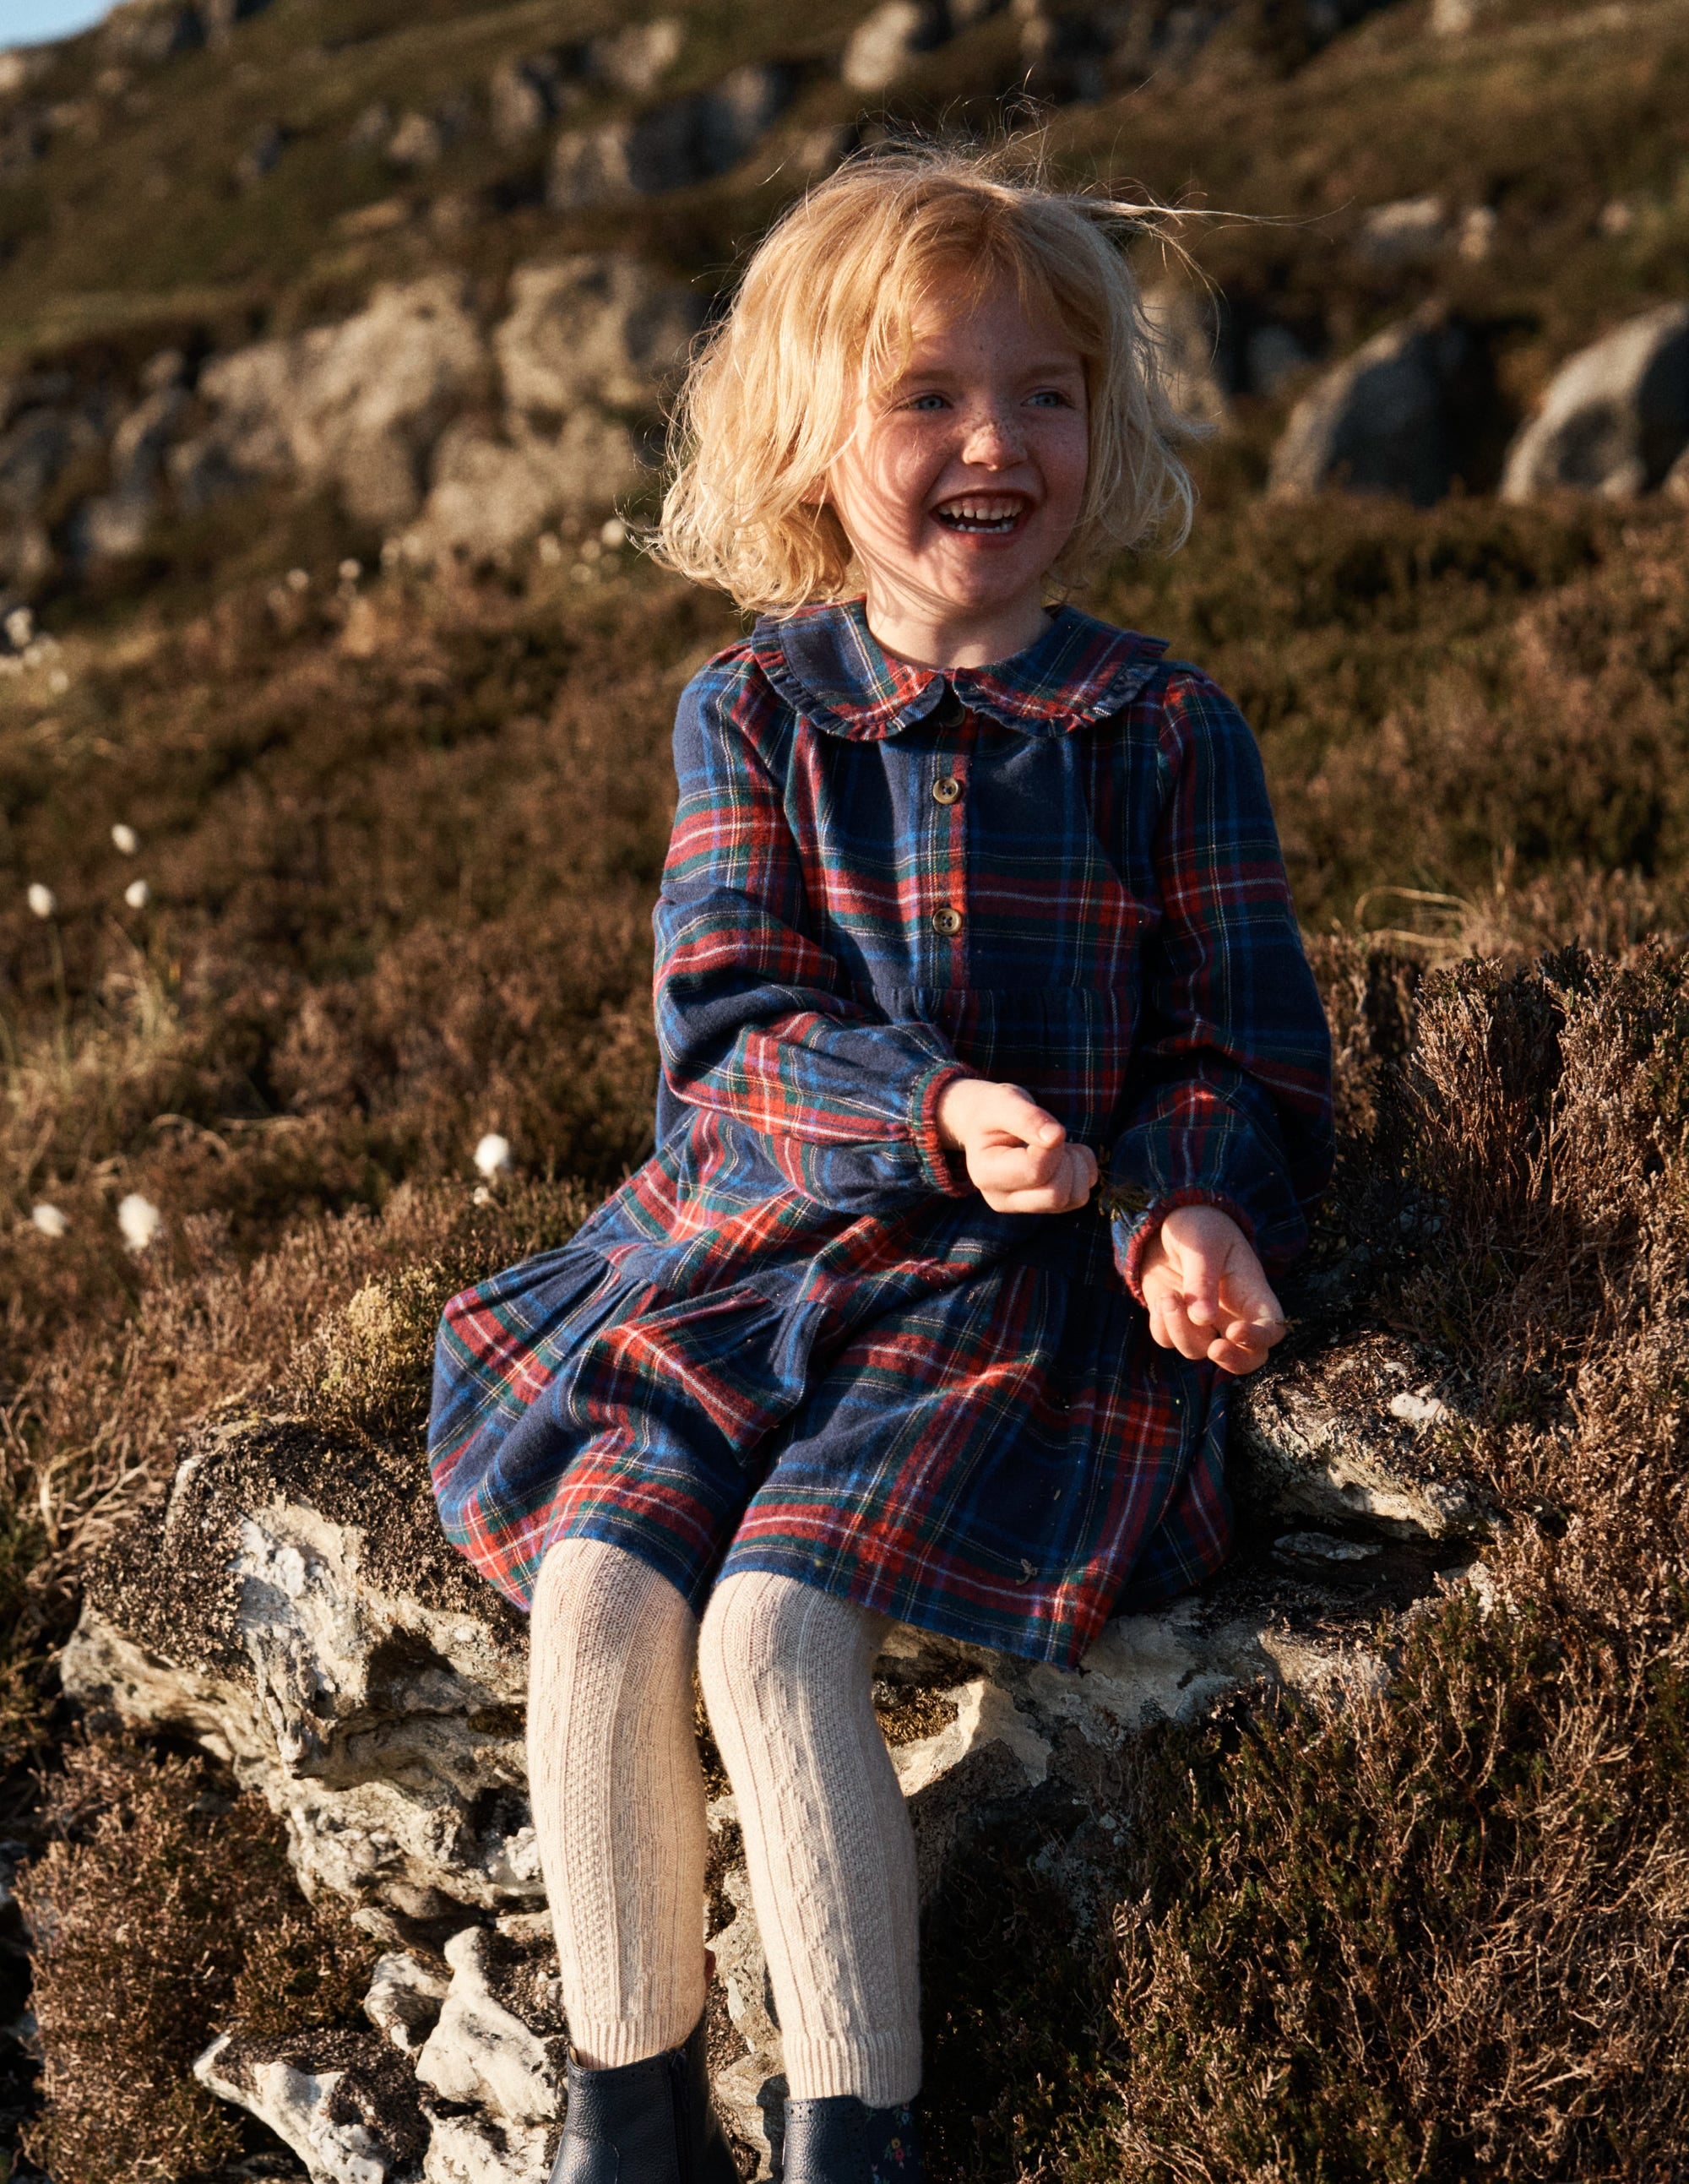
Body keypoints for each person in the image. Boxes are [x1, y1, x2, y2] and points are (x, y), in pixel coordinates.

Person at [428, 145, 1333, 2184]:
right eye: (925, 396)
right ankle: (627, 2119)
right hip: (748, 1257)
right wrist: (920, 1108)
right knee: (598, 1592)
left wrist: (1183, 1195)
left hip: (1000, 1300)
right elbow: (729, 1029)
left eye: (1046, 394)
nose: (993, 444)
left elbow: (1244, 1055)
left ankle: (858, 2134)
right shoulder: (750, 710)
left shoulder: (1160, 726)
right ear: (809, 440)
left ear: (1102, 430)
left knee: (772, 1633)